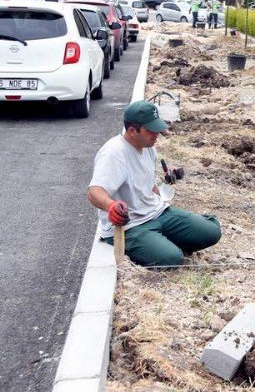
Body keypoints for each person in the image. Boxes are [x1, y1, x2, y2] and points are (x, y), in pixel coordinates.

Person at [87, 101, 222, 267]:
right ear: (132, 131)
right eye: (151, 130)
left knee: (211, 232)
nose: (157, 133)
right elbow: (94, 192)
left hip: (157, 213)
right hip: (131, 226)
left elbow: (149, 184)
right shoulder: (114, 153)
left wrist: (163, 205)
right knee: (171, 259)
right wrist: (111, 206)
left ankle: (160, 242)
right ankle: (159, 246)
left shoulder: (149, 147)